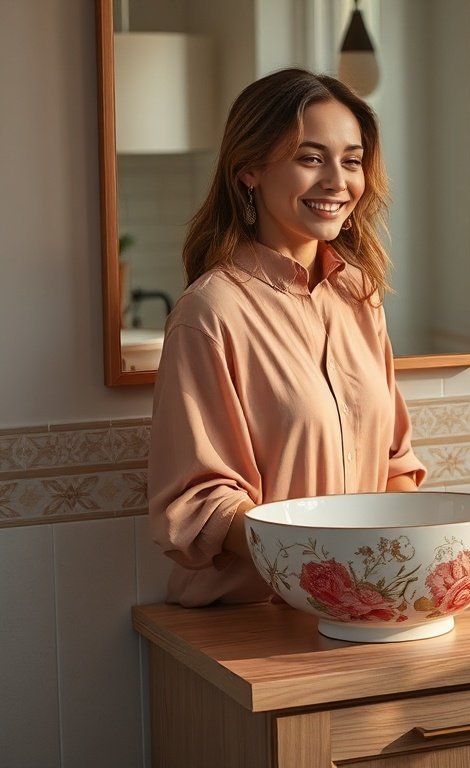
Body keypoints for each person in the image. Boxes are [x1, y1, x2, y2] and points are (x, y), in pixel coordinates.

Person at [148, 68, 426, 607]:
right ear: (249, 169)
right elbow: (199, 504)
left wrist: (418, 554)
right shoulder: (209, 312)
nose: (337, 181)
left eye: (351, 160)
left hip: (364, 609)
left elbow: (393, 464)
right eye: (310, 157)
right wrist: (323, 566)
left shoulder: (359, 297)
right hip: (254, 622)